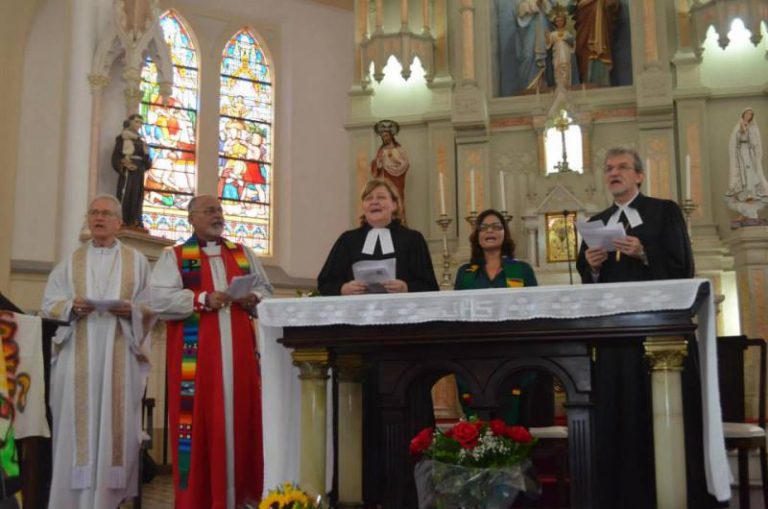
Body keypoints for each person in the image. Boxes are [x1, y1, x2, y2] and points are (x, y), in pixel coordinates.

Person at [575, 148, 719, 509]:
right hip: (615, 339)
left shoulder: (663, 211)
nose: (614, 173)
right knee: (617, 415)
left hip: (659, 334)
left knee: (660, 415)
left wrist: (645, 252)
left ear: (639, 175)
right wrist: (592, 266)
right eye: (608, 169)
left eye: (622, 167)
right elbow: (589, 281)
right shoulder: (597, 220)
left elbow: (682, 264)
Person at [150, 194, 273, 509]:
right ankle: (201, 500)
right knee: (201, 423)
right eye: (209, 210)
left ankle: (244, 497)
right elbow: (158, 300)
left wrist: (253, 299)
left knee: (243, 418)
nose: (217, 215)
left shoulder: (242, 253)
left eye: (219, 209)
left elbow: (266, 290)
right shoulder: (177, 256)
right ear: (191, 218)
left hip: (241, 356)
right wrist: (202, 298)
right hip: (197, 362)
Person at [41, 194, 153, 509]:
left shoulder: (137, 261)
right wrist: (70, 307)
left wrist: (130, 310)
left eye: (106, 213)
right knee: (76, 426)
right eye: (94, 213)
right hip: (78, 353)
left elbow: (151, 307)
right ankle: (68, 500)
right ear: (89, 220)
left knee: (116, 428)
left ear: (118, 222)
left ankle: (107, 498)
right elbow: (49, 304)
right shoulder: (70, 262)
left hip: (120, 352)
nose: (99, 218)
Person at [454, 209, 552, 428]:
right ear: (477, 236)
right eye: (484, 227)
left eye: (496, 226)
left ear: (504, 234)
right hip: (475, 352)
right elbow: (458, 311)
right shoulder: (466, 273)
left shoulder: (521, 269)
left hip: (513, 351)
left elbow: (534, 309)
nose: (490, 231)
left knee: (512, 412)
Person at [317, 178, 438, 296]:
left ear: (394, 205)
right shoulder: (348, 240)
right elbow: (325, 283)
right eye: (368, 198)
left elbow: (430, 286)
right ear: (363, 206)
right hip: (358, 312)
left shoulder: (413, 239)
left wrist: (406, 288)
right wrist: (343, 289)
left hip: (401, 312)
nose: (374, 202)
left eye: (381, 197)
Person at [725, 107, 768, 221]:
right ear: (743, 114)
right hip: (740, 154)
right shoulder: (737, 127)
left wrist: (748, 132)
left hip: (749, 153)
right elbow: (734, 142)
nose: (748, 116)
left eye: (750, 115)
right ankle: (744, 197)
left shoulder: (753, 128)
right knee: (742, 175)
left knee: (752, 174)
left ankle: (752, 194)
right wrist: (742, 129)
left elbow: (755, 142)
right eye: (747, 114)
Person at [111, 114, 152, 229]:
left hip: (139, 172)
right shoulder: (122, 139)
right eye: (136, 122)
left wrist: (147, 155)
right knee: (126, 194)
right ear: (130, 122)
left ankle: (135, 220)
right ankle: (122, 220)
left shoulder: (141, 142)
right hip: (128, 172)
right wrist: (125, 164)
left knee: (137, 196)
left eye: (140, 123)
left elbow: (148, 163)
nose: (138, 125)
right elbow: (116, 157)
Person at [570, 0, 621, 86]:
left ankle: (601, 82)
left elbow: (613, 5)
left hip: (601, 29)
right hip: (584, 22)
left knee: (598, 55)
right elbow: (570, 8)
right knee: (583, 51)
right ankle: (586, 81)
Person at [371, 120, 410, 223]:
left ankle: (399, 221)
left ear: (391, 136)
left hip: (397, 179)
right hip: (385, 178)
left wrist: (395, 164)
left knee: (397, 198)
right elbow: (376, 168)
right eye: (383, 137)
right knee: (385, 197)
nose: (385, 138)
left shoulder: (399, 149)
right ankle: (386, 219)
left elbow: (405, 163)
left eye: (387, 136)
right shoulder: (381, 151)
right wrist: (378, 162)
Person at [512, 0, 553, 92]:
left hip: (542, 26)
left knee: (543, 57)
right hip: (528, 29)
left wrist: (543, 4)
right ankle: (528, 86)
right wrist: (533, 4)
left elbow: (550, 10)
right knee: (528, 55)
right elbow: (519, 9)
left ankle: (541, 84)